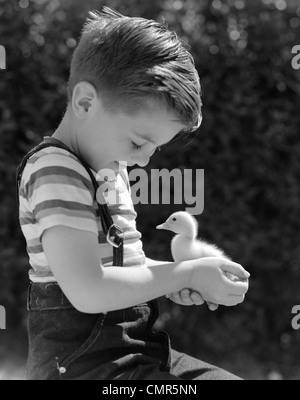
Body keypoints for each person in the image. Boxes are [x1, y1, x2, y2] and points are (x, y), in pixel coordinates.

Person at [17, 7, 250, 380]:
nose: (142, 161)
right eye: (139, 142)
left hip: (136, 354)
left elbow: (127, 268)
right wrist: (181, 274)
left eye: (155, 148)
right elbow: (88, 290)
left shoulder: (111, 168)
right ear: (85, 103)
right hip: (81, 368)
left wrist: (187, 276)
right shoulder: (56, 171)